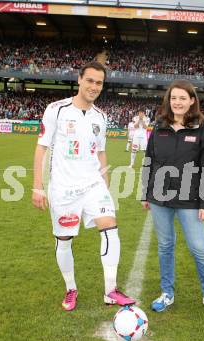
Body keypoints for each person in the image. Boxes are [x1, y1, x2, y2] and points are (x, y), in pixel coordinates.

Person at [32, 61, 135, 311]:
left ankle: (110, 290)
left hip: (93, 185)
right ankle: (71, 289)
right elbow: (41, 147)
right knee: (64, 239)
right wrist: (37, 185)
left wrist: (105, 178)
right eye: (90, 80)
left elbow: (100, 152)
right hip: (64, 189)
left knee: (110, 226)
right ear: (79, 79)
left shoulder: (101, 117)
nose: (94, 86)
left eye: (99, 83)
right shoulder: (56, 110)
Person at [141, 79, 204, 317]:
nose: (177, 102)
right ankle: (167, 293)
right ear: (168, 101)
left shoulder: (201, 129)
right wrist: (145, 194)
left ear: (192, 101)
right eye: (173, 98)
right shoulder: (159, 127)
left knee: (199, 249)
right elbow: (149, 161)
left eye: (182, 98)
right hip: (159, 198)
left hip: (190, 200)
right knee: (165, 247)